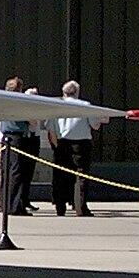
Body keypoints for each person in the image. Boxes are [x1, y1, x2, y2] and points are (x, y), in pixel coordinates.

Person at [48, 80, 105, 217]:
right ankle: (81, 207)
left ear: (64, 93)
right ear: (77, 93)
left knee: (60, 175)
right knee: (82, 176)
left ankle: (60, 206)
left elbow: (51, 130)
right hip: (81, 143)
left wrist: (56, 146)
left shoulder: (56, 106)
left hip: (62, 142)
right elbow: (95, 126)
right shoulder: (85, 105)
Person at [0, 76, 28, 213]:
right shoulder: (17, 103)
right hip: (14, 137)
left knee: (5, 171)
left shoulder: (2, 102)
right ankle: (13, 205)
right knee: (15, 171)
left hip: (4, 138)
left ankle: (5, 203)